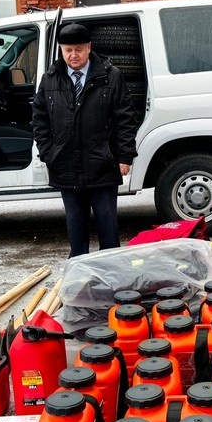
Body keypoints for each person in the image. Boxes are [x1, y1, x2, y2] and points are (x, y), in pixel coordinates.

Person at [32, 22, 138, 258]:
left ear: (89, 47)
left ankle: (111, 277)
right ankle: (80, 280)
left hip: (102, 165)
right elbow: (39, 119)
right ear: (61, 50)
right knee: (76, 231)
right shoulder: (50, 79)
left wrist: (124, 156)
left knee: (108, 230)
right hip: (65, 167)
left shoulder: (111, 76)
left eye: (78, 49)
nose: (73, 55)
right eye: (68, 50)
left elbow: (126, 118)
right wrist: (48, 153)